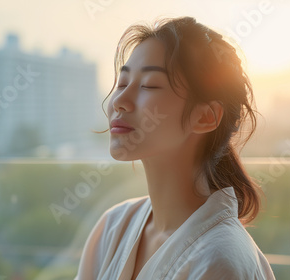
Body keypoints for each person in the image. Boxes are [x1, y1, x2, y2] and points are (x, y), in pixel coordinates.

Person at [75, 16, 276, 280]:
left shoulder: (221, 263)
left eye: (149, 85)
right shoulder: (113, 226)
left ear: (205, 117)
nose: (120, 101)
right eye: (122, 83)